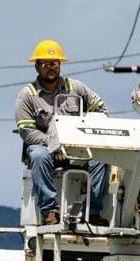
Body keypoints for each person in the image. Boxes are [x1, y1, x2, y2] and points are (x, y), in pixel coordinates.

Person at [14, 39, 110, 226]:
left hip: (77, 147)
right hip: (46, 150)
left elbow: (100, 110)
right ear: (37, 67)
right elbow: (26, 131)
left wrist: (82, 139)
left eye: (55, 64)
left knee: (100, 158)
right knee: (38, 156)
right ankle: (49, 210)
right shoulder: (27, 95)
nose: (51, 68)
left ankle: (93, 210)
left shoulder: (76, 88)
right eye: (46, 64)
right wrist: (54, 145)